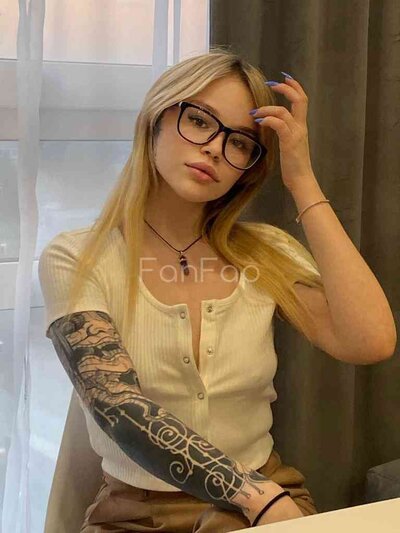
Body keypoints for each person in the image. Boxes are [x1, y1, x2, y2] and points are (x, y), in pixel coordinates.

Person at [39, 47, 321, 532]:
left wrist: (303, 181)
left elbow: (371, 341)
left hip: (267, 495)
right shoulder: (78, 256)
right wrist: (253, 495)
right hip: (142, 511)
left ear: (248, 167)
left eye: (239, 142)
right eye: (199, 120)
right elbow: (116, 404)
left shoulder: (267, 251)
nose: (214, 148)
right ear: (155, 119)